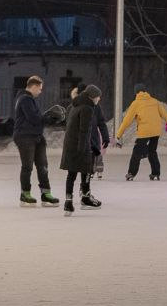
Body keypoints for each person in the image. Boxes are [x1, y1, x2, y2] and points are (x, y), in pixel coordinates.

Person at [13, 76, 59, 207]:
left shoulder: (30, 100)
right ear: (33, 86)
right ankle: (25, 194)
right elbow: (33, 118)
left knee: (43, 165)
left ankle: (46, 193)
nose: (40, 91)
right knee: (27, 166)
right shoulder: (25, 99)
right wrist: (48, 117)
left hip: (36, 136)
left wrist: (48, 119)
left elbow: (36, 118)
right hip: (25, 136)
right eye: (39, 88)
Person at [115, 83, 167, 181]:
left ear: (136, 92)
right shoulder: (154, 101)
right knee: (152, 151)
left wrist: (119, 134)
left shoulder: (136, 103)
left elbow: (127, 120)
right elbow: (164, 114)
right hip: (156, 131)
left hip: (144, 132)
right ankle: (155, 173)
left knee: (136, 153)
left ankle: (131, 173)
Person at [59, 85, 104, 215]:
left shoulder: (74, 105)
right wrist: (84, 148)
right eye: (97, 97)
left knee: (71, 175)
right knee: (87, 171)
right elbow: (84, 130)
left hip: (70, 145)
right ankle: (86, 198)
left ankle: (68, 203)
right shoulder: (88, 108)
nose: (98, 99)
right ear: (92, 97)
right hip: (80, 145)